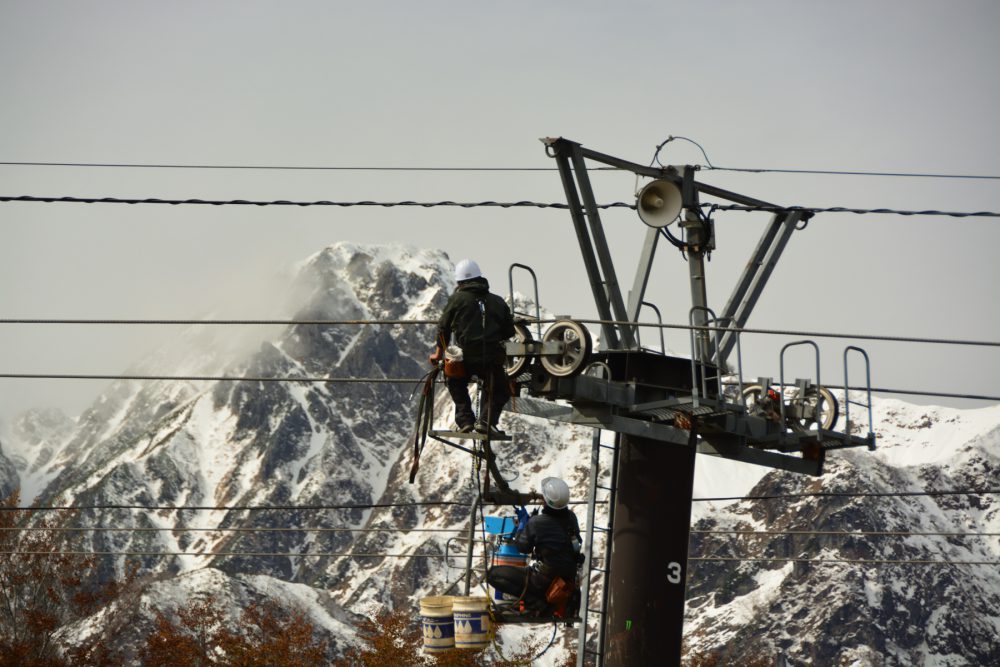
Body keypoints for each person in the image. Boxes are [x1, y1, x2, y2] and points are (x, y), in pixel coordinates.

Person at [429, 259, 515, 434]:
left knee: (454, 381)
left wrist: (439, 353)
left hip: (465, 358)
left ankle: (466, 420)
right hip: (492, 359)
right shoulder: (498, 301)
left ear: (459, 282)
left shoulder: (457, 299)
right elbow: (509, 332)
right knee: (499, 389)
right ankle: (486, 421)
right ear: (480, 278)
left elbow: (443, 327)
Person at [487, 477, 583, 617]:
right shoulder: (571, 518)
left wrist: (522, 526)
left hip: (543, 580)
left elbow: (523, 547)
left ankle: (536, 604)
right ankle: (540, 602)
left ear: (546, 500)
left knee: (493, 575)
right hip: (567, 580)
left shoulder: (537, 522)